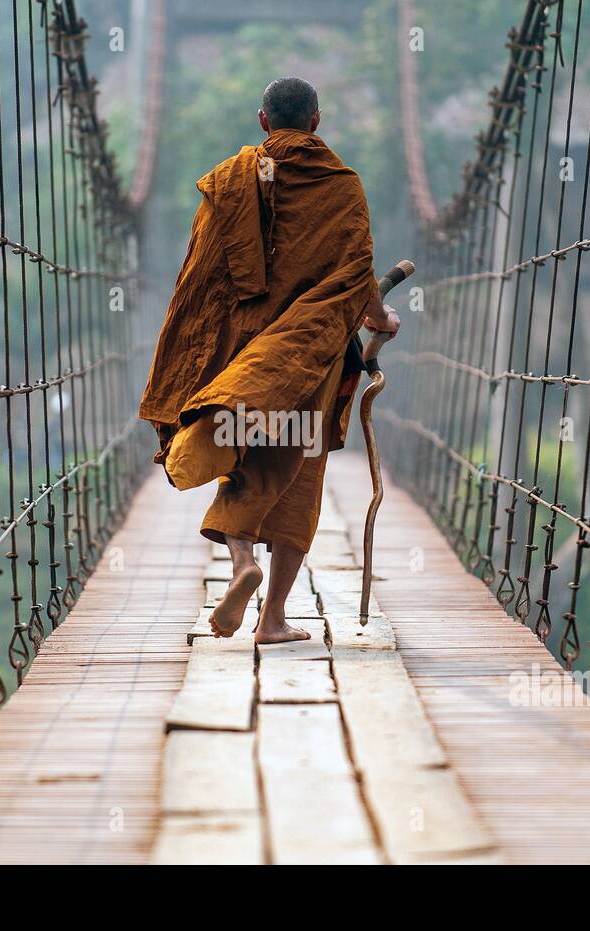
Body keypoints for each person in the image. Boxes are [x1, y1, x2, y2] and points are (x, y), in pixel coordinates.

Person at [138, 77, 400, 644]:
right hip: (309, 363)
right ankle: (274, 618)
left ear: (262, 121)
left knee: (245, 463)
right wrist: (380, 319)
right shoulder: (342, 185)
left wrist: (196, 357)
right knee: (298, 476)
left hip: (247, 363)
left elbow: (201, 278)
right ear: (317, 121)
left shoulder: (231, 181)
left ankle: (240, 568)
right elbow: (358, 271)